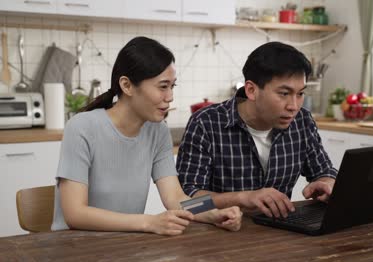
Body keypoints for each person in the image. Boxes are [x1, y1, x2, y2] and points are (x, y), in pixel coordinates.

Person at [51, 36, 242, 235]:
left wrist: (214, 213)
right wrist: (149, 222)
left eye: (172, 86)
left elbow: (176, 197)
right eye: (162, 86)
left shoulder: (157, 131)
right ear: (127, 85)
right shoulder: (82, 127)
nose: (170, 97)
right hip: (74, 246)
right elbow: (75, 214)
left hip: (123, 246)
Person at [177, 42, 337, 219]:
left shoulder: (302, 121)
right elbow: (188, 203)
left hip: (281, 232)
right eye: (284, 93)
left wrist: (326, 184)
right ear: (251, 90)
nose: (294, 106)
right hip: (219, 234)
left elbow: (325, 172)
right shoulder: (206, 123)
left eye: (300, 94)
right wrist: (243, 198)